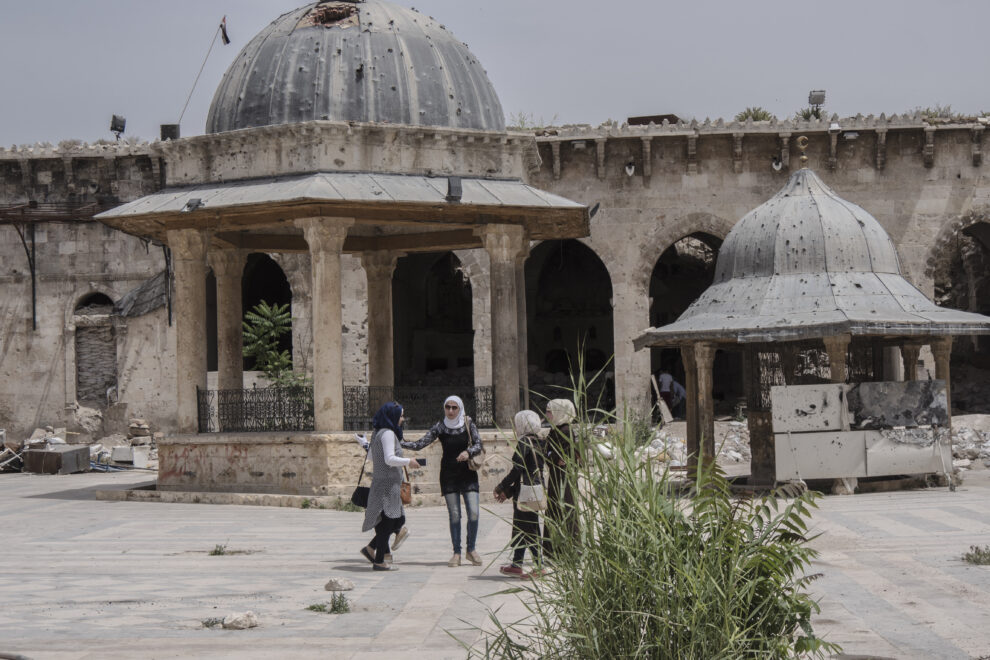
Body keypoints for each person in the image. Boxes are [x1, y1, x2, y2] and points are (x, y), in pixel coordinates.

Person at [401, 395, 483, 567]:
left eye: (454, 407)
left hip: (468, 474)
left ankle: (472, 549)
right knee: (454, 515)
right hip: (449, 475)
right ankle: (456, 553)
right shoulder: (440, 426)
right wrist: (399, 441)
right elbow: (420, 444)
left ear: (460, 408)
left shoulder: (468, 423)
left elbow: (478, 444)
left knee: (474, 513)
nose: (451, 411)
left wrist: (468, 452)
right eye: (448, 407)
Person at [360, 402, 420, 571]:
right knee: (390, 522)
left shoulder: (378, 432)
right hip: (387, 484)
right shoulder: (387, 434)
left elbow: (372, 456)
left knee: (392, 521)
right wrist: (409, 461)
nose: (402, 419)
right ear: (392, 416)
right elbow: (389, 459)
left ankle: (372, 549)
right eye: (400, 415)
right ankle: (379, 560)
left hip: (382, 482)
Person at [494, 410, 545, 577]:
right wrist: (509, 492)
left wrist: (502, 486)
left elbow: (518, 469)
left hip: (526, 492)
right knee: (521, 527)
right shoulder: (539, 441)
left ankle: (539, 566)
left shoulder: (524, 442)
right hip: (534, 490)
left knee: (529, 528)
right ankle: (516, 563)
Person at [543, 398, 578, 558]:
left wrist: (552, 456)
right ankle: (555, 551)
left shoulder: (566, 431)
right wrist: (551, 456)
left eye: (550, 411)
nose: (547, 414)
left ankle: (570, 551)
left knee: (566, 510)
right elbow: (550, 456)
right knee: (555, 510)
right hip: (556, 477)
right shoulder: (555, 431)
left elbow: (562, 458)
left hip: (565, 479)